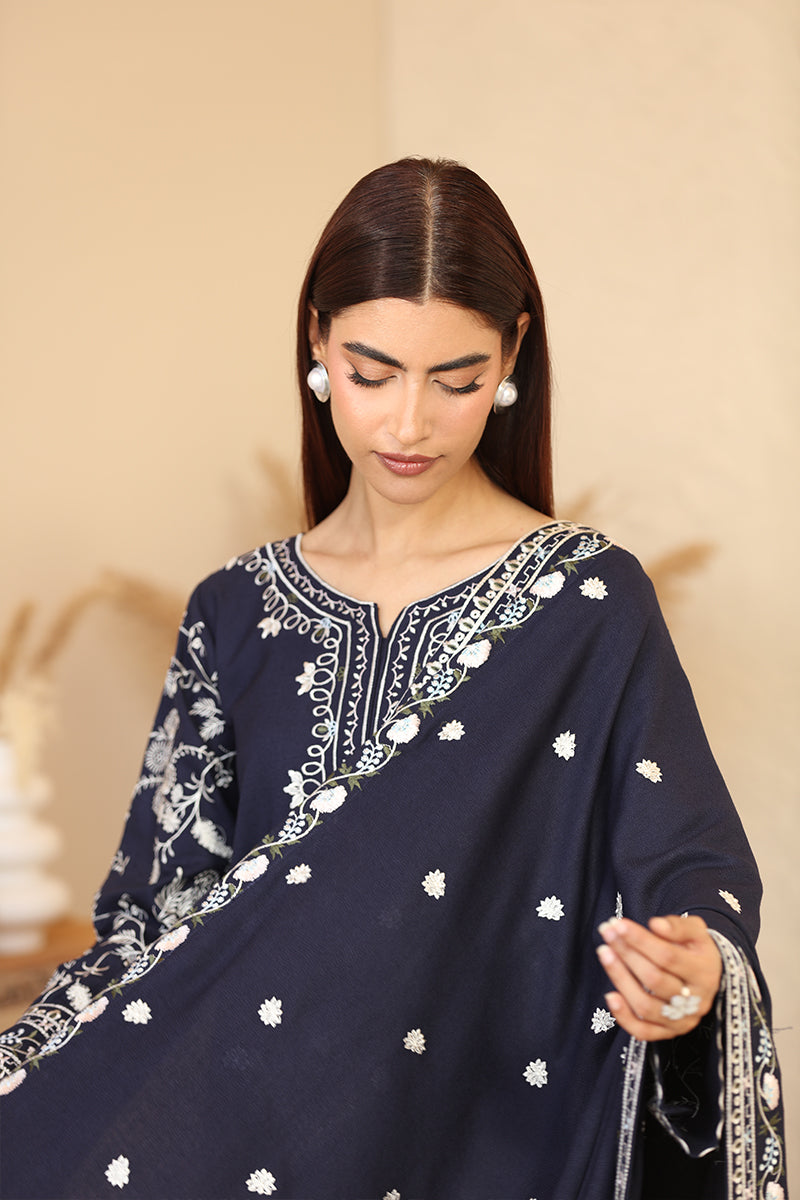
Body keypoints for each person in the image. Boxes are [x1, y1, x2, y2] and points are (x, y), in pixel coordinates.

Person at [0, 157, 787, 1200]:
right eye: (372, 374)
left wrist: (693, 977)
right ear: (317, 343)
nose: (408, 425)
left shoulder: (584, 602)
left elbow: (686, 868)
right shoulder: (235, 611)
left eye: (455, 380)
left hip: (482, 1141)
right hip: (240, 1138)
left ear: (512, 354)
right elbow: (155, 922)